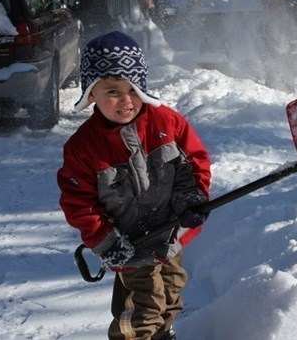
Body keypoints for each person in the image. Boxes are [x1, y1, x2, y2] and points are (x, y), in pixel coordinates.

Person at [57, 31, 211, 340]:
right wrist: (106, 241)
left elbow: (192, 163)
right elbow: (79, 203)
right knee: (141, 310)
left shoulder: (167, 122)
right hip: (129, 246)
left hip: (170, 235)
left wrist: (193, 197)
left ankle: (163, 334)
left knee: (170, 295)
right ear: (92, 95)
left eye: (133, 89)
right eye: (112, 91)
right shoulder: (84, 147)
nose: (126, 100)